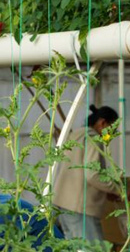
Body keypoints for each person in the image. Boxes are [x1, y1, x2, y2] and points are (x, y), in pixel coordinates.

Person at [52, 104, 121, 242]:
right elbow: (93, 175)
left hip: (62, 204)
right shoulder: (94, 138)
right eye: (113, 128)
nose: (113, 134)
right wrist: (118, 189)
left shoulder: (75, 135)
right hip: (80, 209)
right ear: (103, 123)